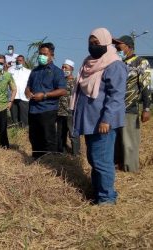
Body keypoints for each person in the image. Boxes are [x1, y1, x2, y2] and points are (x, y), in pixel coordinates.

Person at [70, 28, 127, 205]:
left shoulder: (114, 64)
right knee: (94, 159)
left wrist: (106, 119)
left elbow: (116, 96)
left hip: (102, 122)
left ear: (106, 42)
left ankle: (107, 198)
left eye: (97, 43)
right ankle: (97, 192)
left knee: (102, 161)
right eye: (91, 43)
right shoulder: (88, 63)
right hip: (89, 121)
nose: (93, 46)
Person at [112, 35, 151, 173]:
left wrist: (146, 108)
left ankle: (131, 171)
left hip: (130, 107)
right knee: (116, 142)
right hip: (114, 109)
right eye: (116, 48)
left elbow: (146, 86)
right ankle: (117, 167)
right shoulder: (117, 63)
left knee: (129, 143)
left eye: (119, 47)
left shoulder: (141, 62)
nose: (117, 50)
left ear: (128, 47)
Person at [25, 42, 67, 159]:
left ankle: (50, 163)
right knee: (34, 137)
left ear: (51, 55)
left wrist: (44, 95)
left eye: (45, 54)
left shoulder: (57, 72)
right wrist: (27, 91)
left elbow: (62, 91)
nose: (41, 56)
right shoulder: (34, 71)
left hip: (48, 109)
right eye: (40, 54)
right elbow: (28, 86)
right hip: (33, 109)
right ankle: (37, 160)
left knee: (48, 138)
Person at [57, 59, 80, 155]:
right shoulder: (60, 81)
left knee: (73, 134)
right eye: (62, 67)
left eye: (65, 67)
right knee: (60, 134)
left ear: (72, 69)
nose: (63, 69)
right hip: (60, 112)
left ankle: (76, 154)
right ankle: (61, 152)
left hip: (71, 112)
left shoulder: (76, 82)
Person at [8, 55, 30, 127]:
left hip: (23, 97)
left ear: (23, 61)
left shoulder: (28, 72)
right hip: (13, 97)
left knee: (24, 118)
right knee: (14, 118)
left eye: (20, 60)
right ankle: (16, 134)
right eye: (17, 60)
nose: (18, 61)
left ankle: (24, 134)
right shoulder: (10, 71)